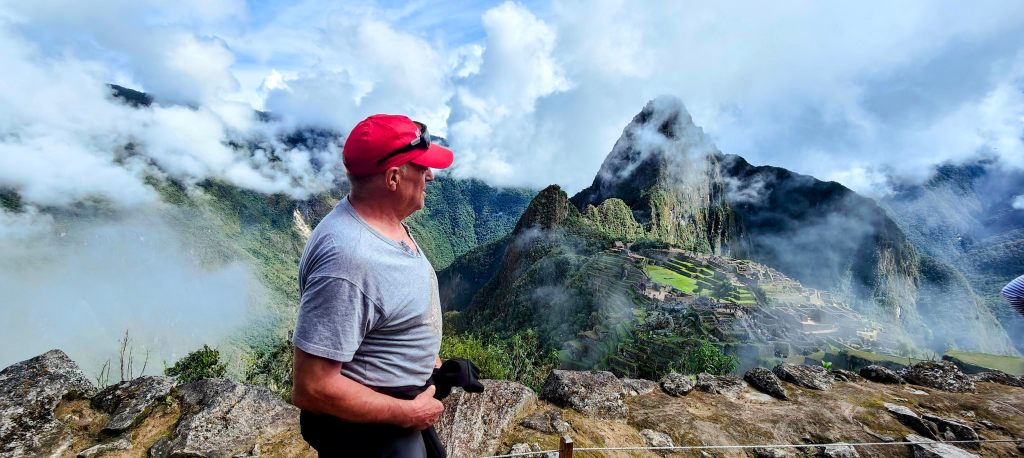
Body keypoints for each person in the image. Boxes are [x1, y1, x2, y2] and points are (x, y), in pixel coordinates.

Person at [291, 114, 454, 457]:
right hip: (371, 437)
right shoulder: (348, 259)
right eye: (422, 166)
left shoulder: (385, 223)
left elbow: (385, 311)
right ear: (394, 177)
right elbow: (312, 386)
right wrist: (407, 413)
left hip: (396, 418)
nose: (431, 175)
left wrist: (430, 361)